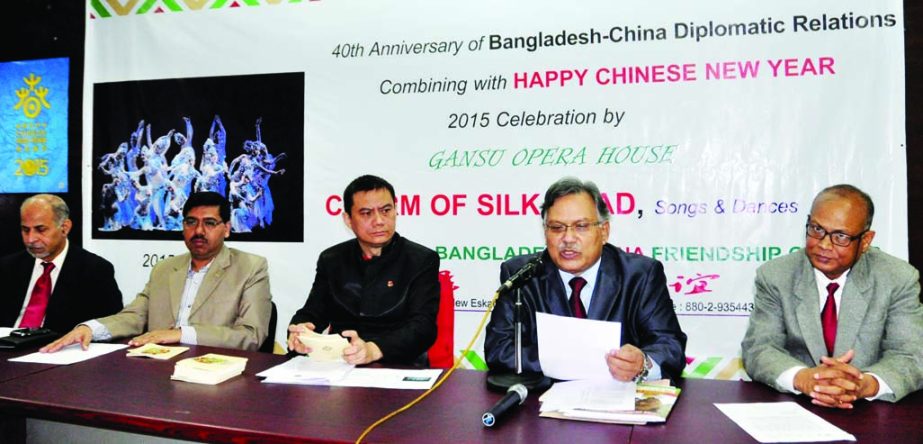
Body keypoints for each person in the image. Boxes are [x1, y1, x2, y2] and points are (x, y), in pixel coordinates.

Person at [485, 177, 687, 382]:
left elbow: (670, 347)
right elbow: (499, 350)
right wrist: (571, 362)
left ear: (604, 231)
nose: (568, 238)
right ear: (545, 232)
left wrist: (642, 364)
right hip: (542, 403)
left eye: (581, 226)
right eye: (557, 227)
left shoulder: (640, 275)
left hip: (617, 401)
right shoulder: (521, 275)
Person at [742, 184, 923, 408]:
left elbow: (911, 355)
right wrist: (805, 379)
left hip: (869, 410)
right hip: (797, 406)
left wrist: (865, 384)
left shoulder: (897, 278)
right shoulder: (776, 275)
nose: (824, 244)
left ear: (865, 241)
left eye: (840, 236)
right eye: (817, 229)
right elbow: (759, 348)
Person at [42, 192, 272, 352]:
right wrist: (89, 328)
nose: (199, 231)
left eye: (210, 223)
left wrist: (182, 334)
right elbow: (135, 316)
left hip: (214, 373)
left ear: (227, 229)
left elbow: (250, 336)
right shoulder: (164, 269)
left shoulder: (250, 268)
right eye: (191, 222)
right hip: (155, 370)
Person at [287, 175, 439, 365]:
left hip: (398, 364)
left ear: (395, 211)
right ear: (348, 220)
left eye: (386, 210)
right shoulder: (332, 259)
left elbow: (422, 327)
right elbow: (312, 313)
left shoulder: (421, 259)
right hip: (338, 364)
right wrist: (301, 333)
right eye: (366, 213)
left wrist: (373, 350)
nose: (379, 221)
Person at [0, 194, 123, 334]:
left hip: (58, 349)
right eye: (25, 230)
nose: (31, 239)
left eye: (40, 229)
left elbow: (109, 325)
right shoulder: (7, 268)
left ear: (64, 227)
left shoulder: (95, 270)